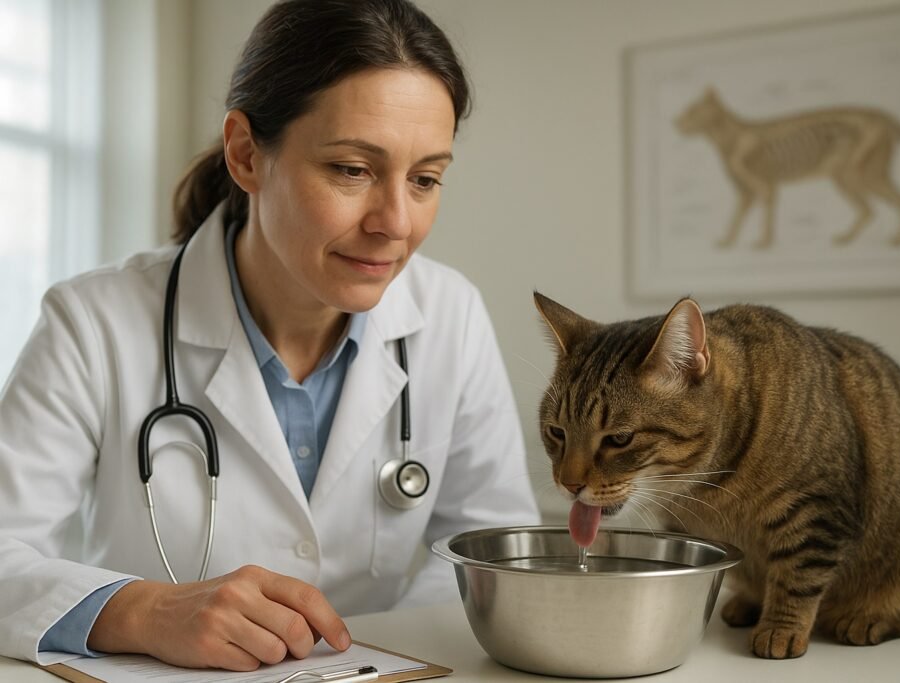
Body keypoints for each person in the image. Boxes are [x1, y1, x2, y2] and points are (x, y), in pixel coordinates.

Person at [0, 0, 539, 671]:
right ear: (246, 153)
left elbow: (489, 552)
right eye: (352, 169)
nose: (396, 222)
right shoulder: (93, 320)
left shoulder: (450, 314)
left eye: (426, 179)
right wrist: (141, 610)